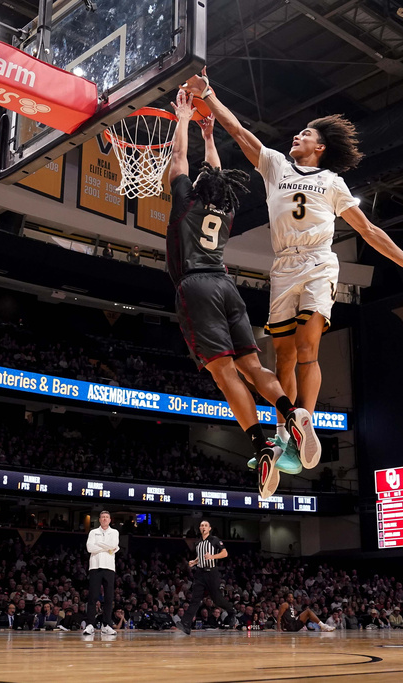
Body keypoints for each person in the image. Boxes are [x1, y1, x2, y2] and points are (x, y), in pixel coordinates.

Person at [181, 70, 403, 477]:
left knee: (307, 350)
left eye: (305, 134)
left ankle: (304, 421)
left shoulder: (333, 182)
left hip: (319, 261)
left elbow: (368, 230)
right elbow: (239, 131)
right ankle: (288, 433)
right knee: (281, 357)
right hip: (283, 266)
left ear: (319, 147)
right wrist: (210, 95)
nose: (296, 137)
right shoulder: (275, 166)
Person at [165, 89, 319, 499]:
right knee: (253, 367)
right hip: (227, 285)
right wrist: (210, 136)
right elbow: (210, 170)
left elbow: (179, 161)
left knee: (224, 372)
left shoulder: (186, 201)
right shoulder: (226, 208)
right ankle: (290, 414)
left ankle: (261, 445)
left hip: (196, 287)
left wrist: (182, 119)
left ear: (197, 186)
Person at [179, 520, 238, 635]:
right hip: (200, 573)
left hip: (212, 573)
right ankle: (185, 624)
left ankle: (232, 611)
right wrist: (194, 562)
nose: (203, 527)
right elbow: (201, 557)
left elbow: (224, 553)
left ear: (209, 528)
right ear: (200, 529)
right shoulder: (198, 543)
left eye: (206, 525)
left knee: (216, 599)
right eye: (202, 525)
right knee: (195, 599)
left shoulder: (214, 540)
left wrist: (212, 556)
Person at [83, 510, 119, 636]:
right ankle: (90, 625)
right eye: (102, 517)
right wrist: (107, 547)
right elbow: (90, 548)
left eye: (106, 517)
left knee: (109, 597)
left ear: (110, 520)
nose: (104, 519)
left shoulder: (114, 532)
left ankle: (106, 625)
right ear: (99, 519)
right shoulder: (93, 532)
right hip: (95, 566)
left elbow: (114, 545)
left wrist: (99, 545)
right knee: (93, 596)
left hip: (109, 567)